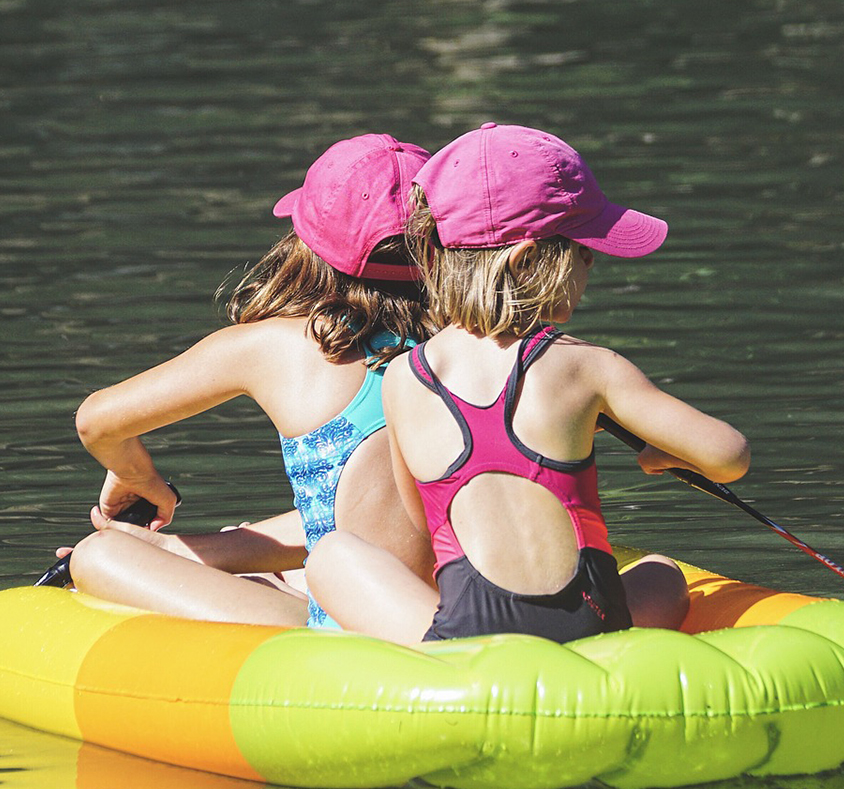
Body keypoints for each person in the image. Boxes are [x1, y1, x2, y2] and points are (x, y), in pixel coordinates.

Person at [306, 122, 750, 644]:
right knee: (664, 573)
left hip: (467, 641)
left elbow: (422, 521)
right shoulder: (589, 366)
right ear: (527, 259)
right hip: (590, 629)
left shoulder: (404, 375)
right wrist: (659, 454)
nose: (590, 266)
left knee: (332, 557)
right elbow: (729, 455)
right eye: (584, 251)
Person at [64, 133, 436, 627]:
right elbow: (380, 521)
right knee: (261, 549)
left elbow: (96, 422)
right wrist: (171, 548)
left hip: (349, 632)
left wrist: (136, 476)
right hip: (434, 610)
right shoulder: (469, 346)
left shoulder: (272, 346)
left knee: (95, 555)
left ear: (306, 244)